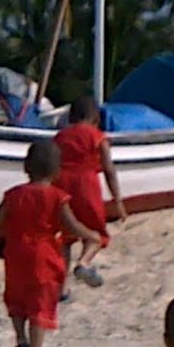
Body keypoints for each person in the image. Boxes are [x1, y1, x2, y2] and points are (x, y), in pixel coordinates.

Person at [0, 139, 103, 347]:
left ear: (26, 168)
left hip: (15, 254)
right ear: (57, 171)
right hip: (43, 256)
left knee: (16, 298)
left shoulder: (13, 195)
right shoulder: (57, 197)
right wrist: (92, 235)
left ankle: (20, 340)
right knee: (40, 305)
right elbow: (72, 225)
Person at [55, 95, 125, 297]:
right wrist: (118, 201)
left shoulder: (60, 136)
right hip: (87, 186)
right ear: (95, 116)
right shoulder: (97, 136)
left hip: (62, 186)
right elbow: (109, 170)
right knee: (97, 234)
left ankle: (61, 288)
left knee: (66, 238)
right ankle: (84, 263)